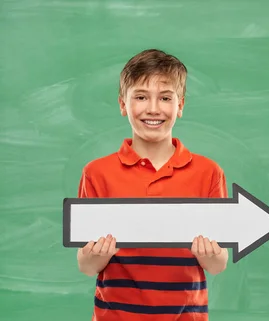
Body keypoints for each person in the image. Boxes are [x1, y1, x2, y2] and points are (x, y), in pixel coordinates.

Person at [75, 48, 229, 321]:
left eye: (165, 98)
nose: (153, 108)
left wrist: (209, 254)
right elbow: (86, 266)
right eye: (141, 97)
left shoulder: (209, 172)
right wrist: (98, 255)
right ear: (123, 105)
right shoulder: (96, 173)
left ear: (180, 106)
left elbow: (218, 265)